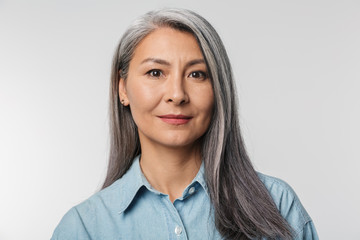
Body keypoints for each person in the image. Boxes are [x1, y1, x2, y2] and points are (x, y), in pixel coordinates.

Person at [51, 8, 319, 240]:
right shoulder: (83, 228)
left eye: (197, 74)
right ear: (122, 89)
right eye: (155, 73)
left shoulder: (277, 205)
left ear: (219, 89)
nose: (177, 94)